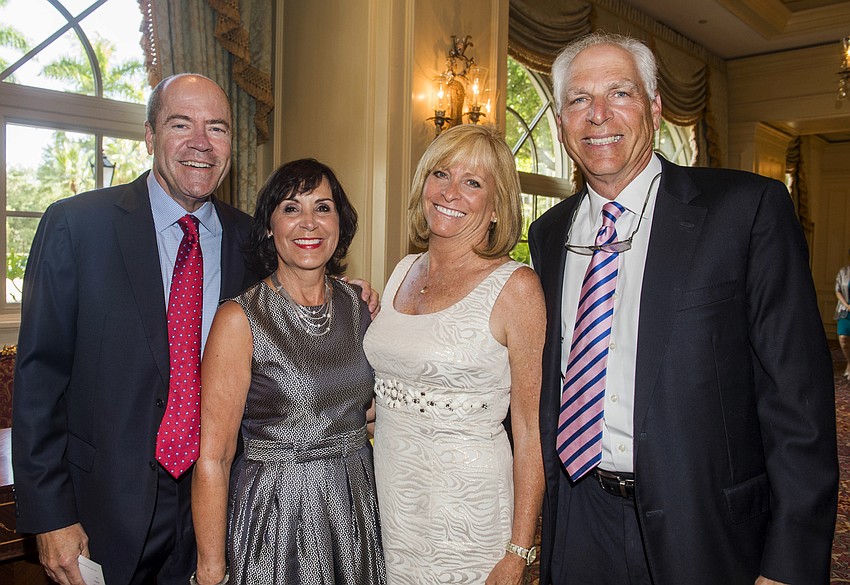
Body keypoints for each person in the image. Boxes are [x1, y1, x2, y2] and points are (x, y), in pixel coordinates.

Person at [10, 74, 377, 585]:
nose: (201, 143)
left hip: (227, 507)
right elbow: (38, 383)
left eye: (217, 128)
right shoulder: (78, 227)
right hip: (106, 507)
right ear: (149, 135)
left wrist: (346, 291)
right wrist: (50, 514)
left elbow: (293, 308)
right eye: (181, 124)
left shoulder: (251, 237)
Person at [529, 32, 838, 585]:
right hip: (577, 517)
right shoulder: (548, 233)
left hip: (704, 525)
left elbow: (798, 402)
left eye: (619, 93)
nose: (598, 115)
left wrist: (789, 564)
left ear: (653, 107)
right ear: (560, 122)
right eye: (578, 99)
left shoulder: (745, 211)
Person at [365, 124, 546, 585]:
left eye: (473, 182)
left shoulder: (516, 288)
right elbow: (392, 382)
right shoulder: (403, 269)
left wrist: (518, 552)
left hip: (470, 516)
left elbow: (530, 432)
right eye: (440, 174)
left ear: (495, 206)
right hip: (391, 502)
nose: (450, 192)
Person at [192, 158, 385, 585]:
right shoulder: (239, 320)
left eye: (323, 207)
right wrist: (210, 570)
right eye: (291, 208)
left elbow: (365, 409)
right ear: (268, 227)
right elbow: (214, 457)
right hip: (277, 518)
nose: (309, 223)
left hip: (355, 510)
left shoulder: (363, 308)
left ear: (341, 222)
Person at [836, 251, 850, 379]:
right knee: (843, 339)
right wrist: (846, 305)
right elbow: (838, 290)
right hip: (845, 310)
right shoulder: (843, 272)